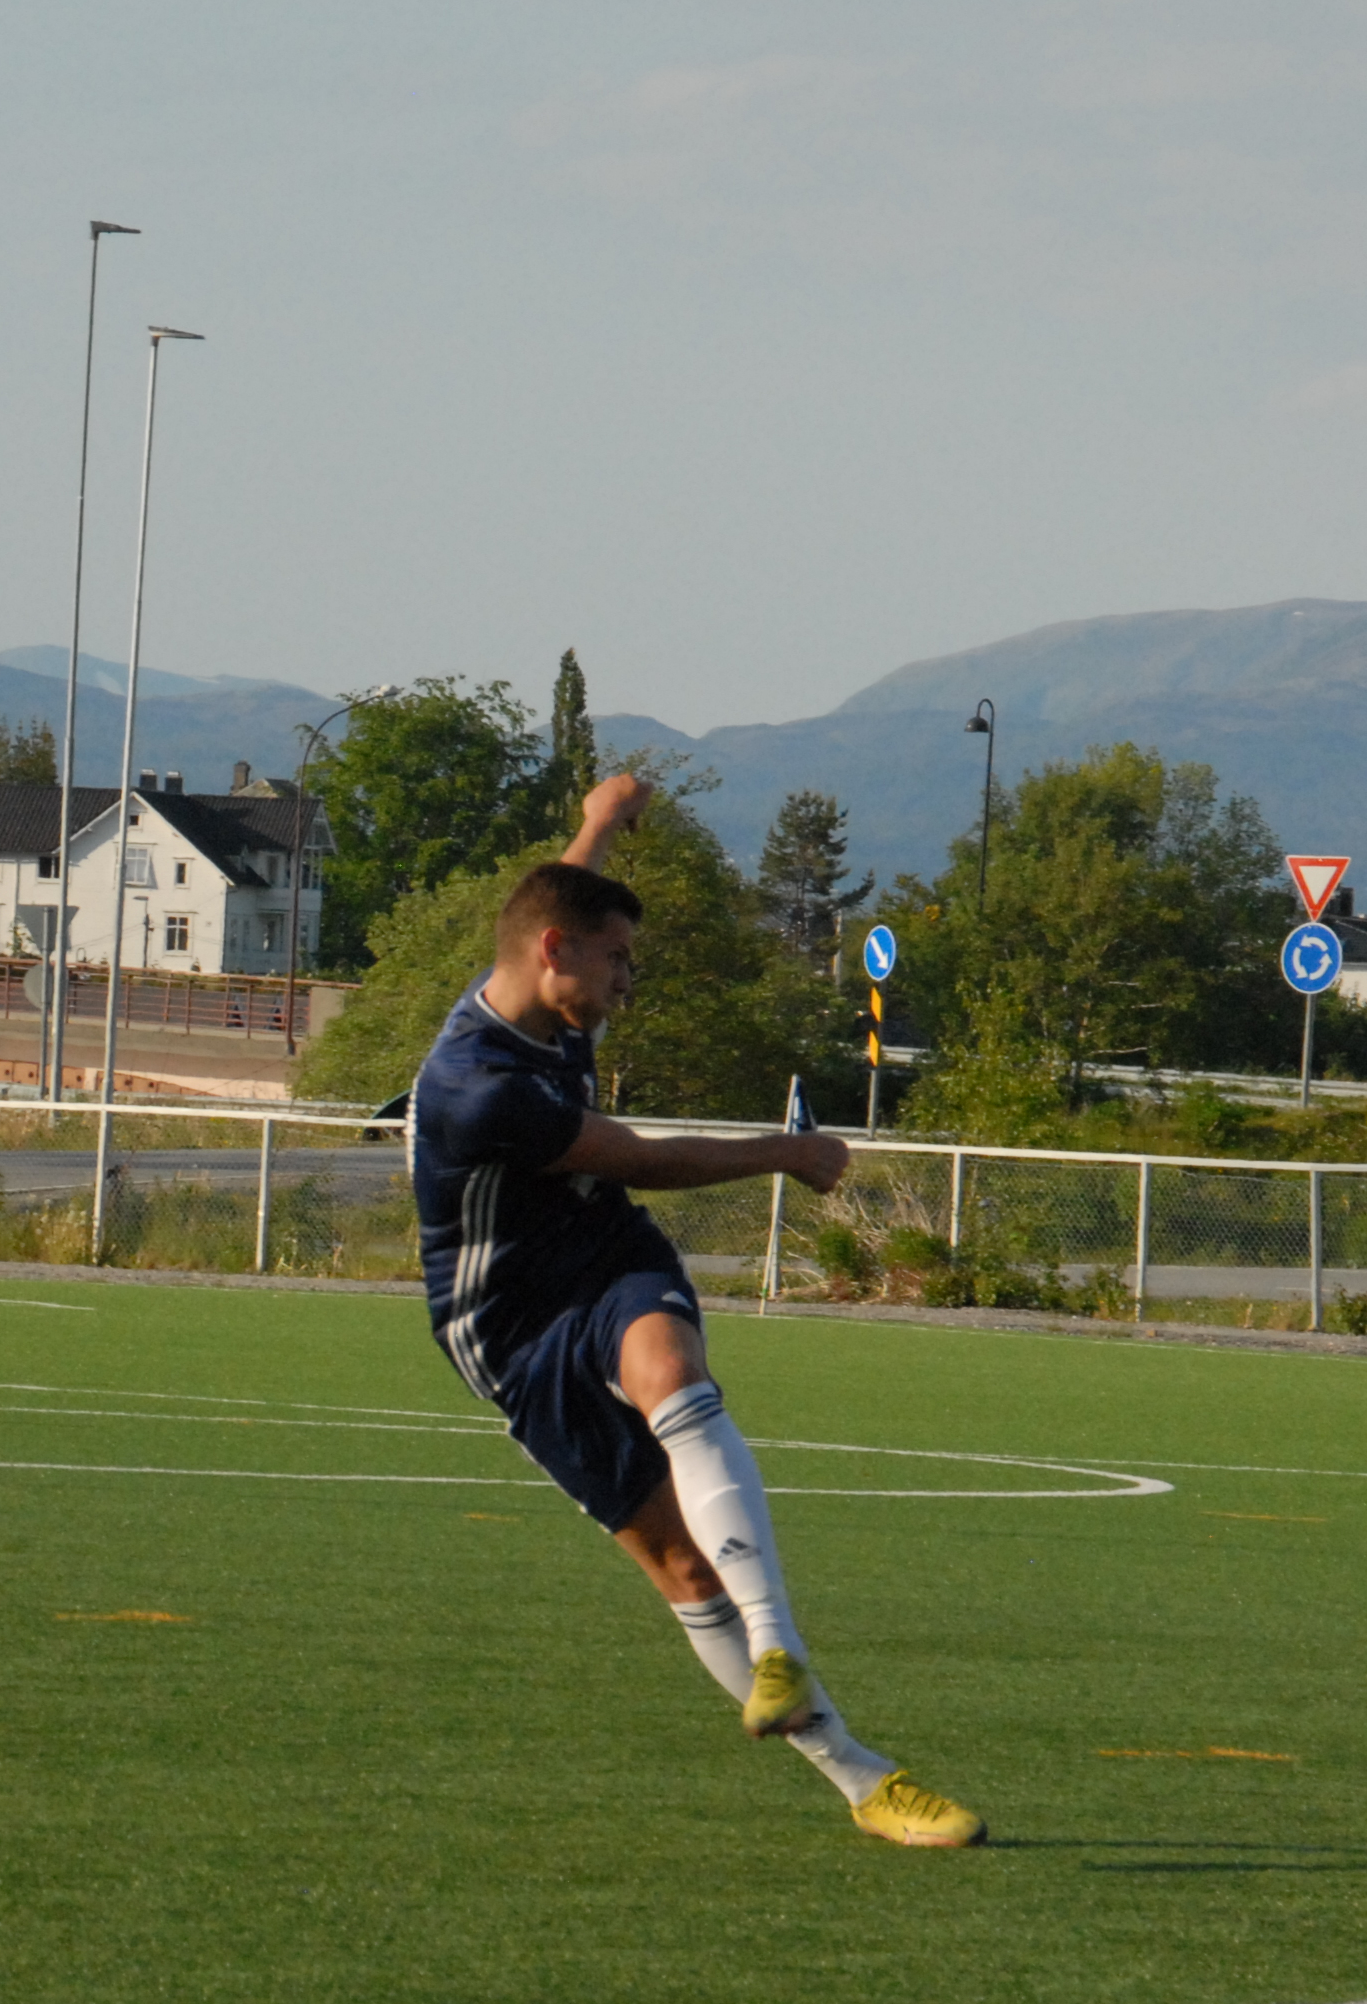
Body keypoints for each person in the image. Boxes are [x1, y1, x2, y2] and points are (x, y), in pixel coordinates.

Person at [409, 770, 984, 1847]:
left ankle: (776, 1649)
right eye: (618, 961)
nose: (627, 981)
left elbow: (558, 895)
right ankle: (863, 1782)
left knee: (672, 1374)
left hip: (605, 1255)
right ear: (556, 956)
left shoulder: (541, 978)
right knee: (678, 1565)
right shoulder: (476, 1088)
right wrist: (786, 1153)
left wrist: (599, 820)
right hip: (509, 1329)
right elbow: (640, 1157)